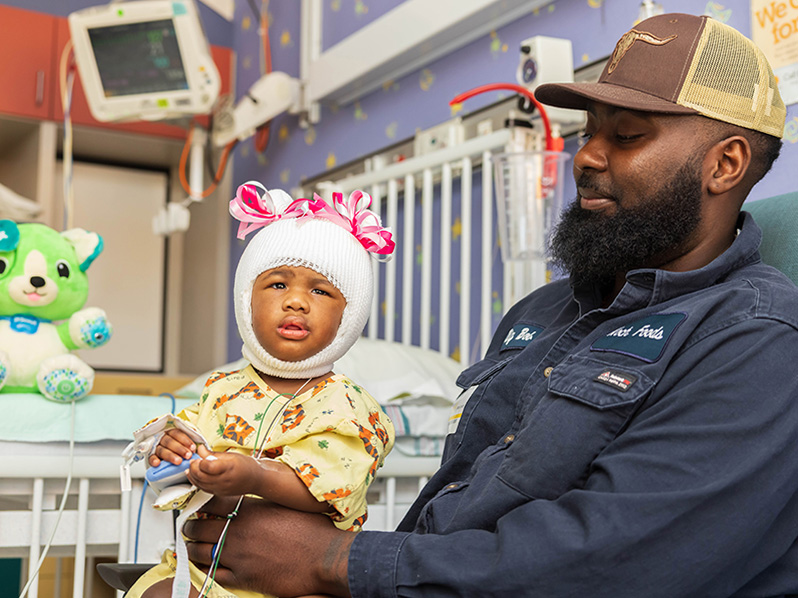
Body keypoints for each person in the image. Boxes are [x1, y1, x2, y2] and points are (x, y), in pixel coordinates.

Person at [181, 13, 798, 597]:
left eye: (627, 135)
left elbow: (616, 564)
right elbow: (458, 508)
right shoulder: (542, 312)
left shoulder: (758, 342)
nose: (585, 156)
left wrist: (331, 561)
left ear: (725, 164)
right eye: (589, 132)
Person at [127, 184, 396, 598]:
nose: (296, 302)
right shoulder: (220, 390)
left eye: (320, 290)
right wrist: (171, 448)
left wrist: (254, 474)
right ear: (245, 300)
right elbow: (180, 453)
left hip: (301, 578)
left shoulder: (349, 406)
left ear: (350, 314)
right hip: (205, 573)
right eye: (276, 285)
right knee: (158, 593)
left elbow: (329, 488)